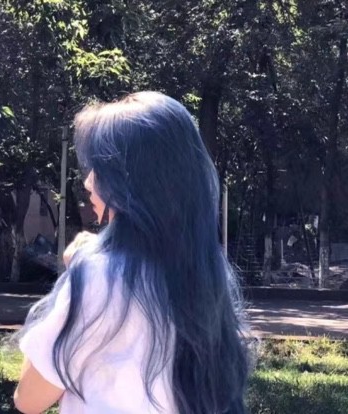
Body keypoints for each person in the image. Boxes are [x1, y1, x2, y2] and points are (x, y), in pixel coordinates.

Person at [14, 91, 250, 414]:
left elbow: (28, 399)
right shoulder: (207, 273)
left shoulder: (95, 277)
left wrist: (74, 271)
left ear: (132, 183)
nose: (88, 182)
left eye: (100, 169)